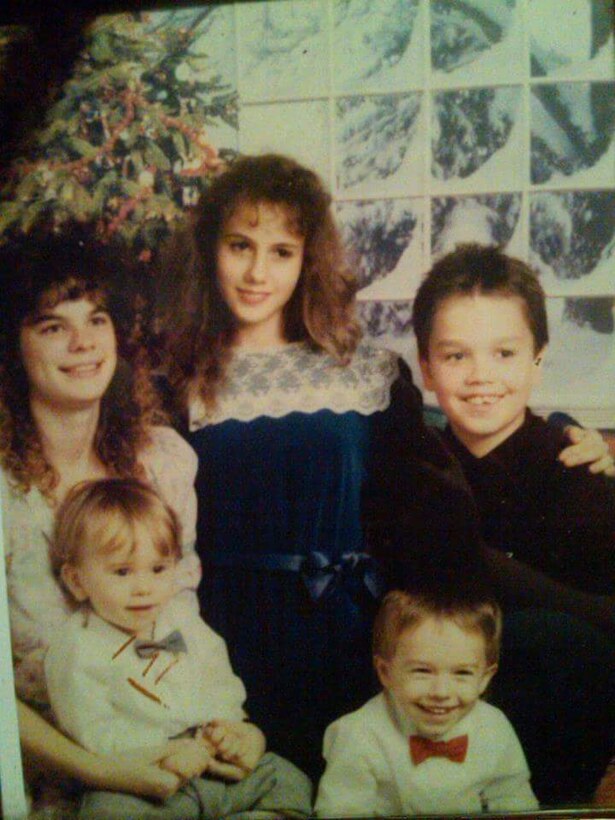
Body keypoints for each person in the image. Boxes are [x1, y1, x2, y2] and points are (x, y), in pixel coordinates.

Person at [162, 153, 611, 779]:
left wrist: (567, 429)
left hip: (356, 630)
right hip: (231, 629)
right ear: (211, 250)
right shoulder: (174, 384)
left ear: (308, 260)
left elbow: (434, 514)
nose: (258, 272)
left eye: (282, 252)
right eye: (240, 246)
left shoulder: (366, 372)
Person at [0, 226, 199, 807]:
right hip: (43, 771)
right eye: (53, 326)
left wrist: (213, 725)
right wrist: (106, 772)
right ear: (14, 347)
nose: (83, 342)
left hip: (162, 741)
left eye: (97, 319)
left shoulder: (160, 465)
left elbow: (183, 628)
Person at [411, 242, 615, 802]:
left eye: (504, 353)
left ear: (538, 359)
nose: (481, 377)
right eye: (456, 357)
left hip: (553, 756)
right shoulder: (413, 469)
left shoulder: (580, 470)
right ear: (426, 367)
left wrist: (487, 568)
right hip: (421, 749)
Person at [45, 477, 312, 818]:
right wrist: (164, 751)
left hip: (212, 760)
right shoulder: (77, 647)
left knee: (287, 781)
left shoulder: (181, 618)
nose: (144, 587)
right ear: (77, 581)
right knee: (108, 812)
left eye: (158, 569)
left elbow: (216, 673)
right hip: (143, 776)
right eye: (122, 572)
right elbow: (94, 733)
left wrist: (228, 729)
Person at [315, 588, 538, 816]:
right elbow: (341, 811)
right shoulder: (357, 734)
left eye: (462, 673)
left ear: (484, 679)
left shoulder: (493, 725)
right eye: (422, 671)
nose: (441, 692)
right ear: (385, 673)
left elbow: (514, 800)